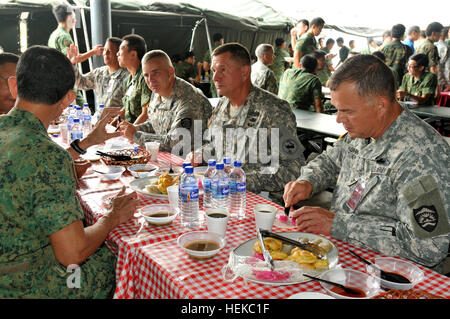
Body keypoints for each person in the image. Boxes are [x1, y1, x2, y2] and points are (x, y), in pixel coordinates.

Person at [283, 54, 449, 274]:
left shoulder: (421, 157)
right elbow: (332, 161)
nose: (338, 119)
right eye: (337, 109)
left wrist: (339, 224)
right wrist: (307, 181)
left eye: (347, 111)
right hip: (346, 259)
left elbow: (429, 247)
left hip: (394, 277)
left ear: (380, 105)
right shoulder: (364, 131)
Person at [0, 45, 139, 298]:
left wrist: (83, 144)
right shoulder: (47, 155)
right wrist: (110, 216)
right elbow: (72, 253)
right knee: (119, 260)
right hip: (26, 284)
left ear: (14, 86)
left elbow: (23, 169)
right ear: (68, 99)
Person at [186, 43, 305, 204]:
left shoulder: (274, 109)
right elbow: (215, 144)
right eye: (214, 71)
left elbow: (294, 168)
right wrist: (200, 153)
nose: (215, 78)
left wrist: (244, 180)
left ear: (244, 72)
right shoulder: (222, 105)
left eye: (223, 70)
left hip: (258, 200)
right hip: (219, 195)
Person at [118, 50, 212, 156]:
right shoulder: (158, 91)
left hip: (193, 165)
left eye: (156, 73)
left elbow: (174, 143)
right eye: (146, 75)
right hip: (168, 159)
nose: (150, 80)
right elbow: (155, 124)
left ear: (170, 72)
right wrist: (135, 128)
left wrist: (136, 135)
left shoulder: (189, 99)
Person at [48, 4, 103, 106]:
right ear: (68, 17)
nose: (76, 20)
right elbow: (73, 59)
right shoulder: (64, 37)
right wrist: (94, 52)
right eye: (74, 16)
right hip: (67, 80)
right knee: (82, 108)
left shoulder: (54, 34)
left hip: (58, 80)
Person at [66, 37, 129, 111]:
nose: (105, 53)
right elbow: (80, 83)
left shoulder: (127, 76)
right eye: (105, 50)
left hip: (118, 120)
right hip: (100, 119)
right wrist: (72, 64)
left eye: (109, 51)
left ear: (118, 53)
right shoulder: (99, 73)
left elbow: (130, 105)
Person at [115, 34, 152, 125]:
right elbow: (126, 107)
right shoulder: (130, 78)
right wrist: (113, 124)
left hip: (140, 134)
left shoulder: (145, 77)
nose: (117, 54)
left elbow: (146, 114)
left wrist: (131, 132)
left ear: (133, 54)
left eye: (121, 49)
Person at [203, 33, 224, 98]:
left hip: (215, 79)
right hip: (228, 79)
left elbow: (205, 67)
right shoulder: (226, 50)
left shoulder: (209, 51)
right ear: (221, 40)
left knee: (216, 100)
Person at [436, 27, 450, 92]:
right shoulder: (446, 47)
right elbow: (448, 68)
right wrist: (447, 83)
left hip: (434, 79)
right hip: (443, 82)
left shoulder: (434, 45)